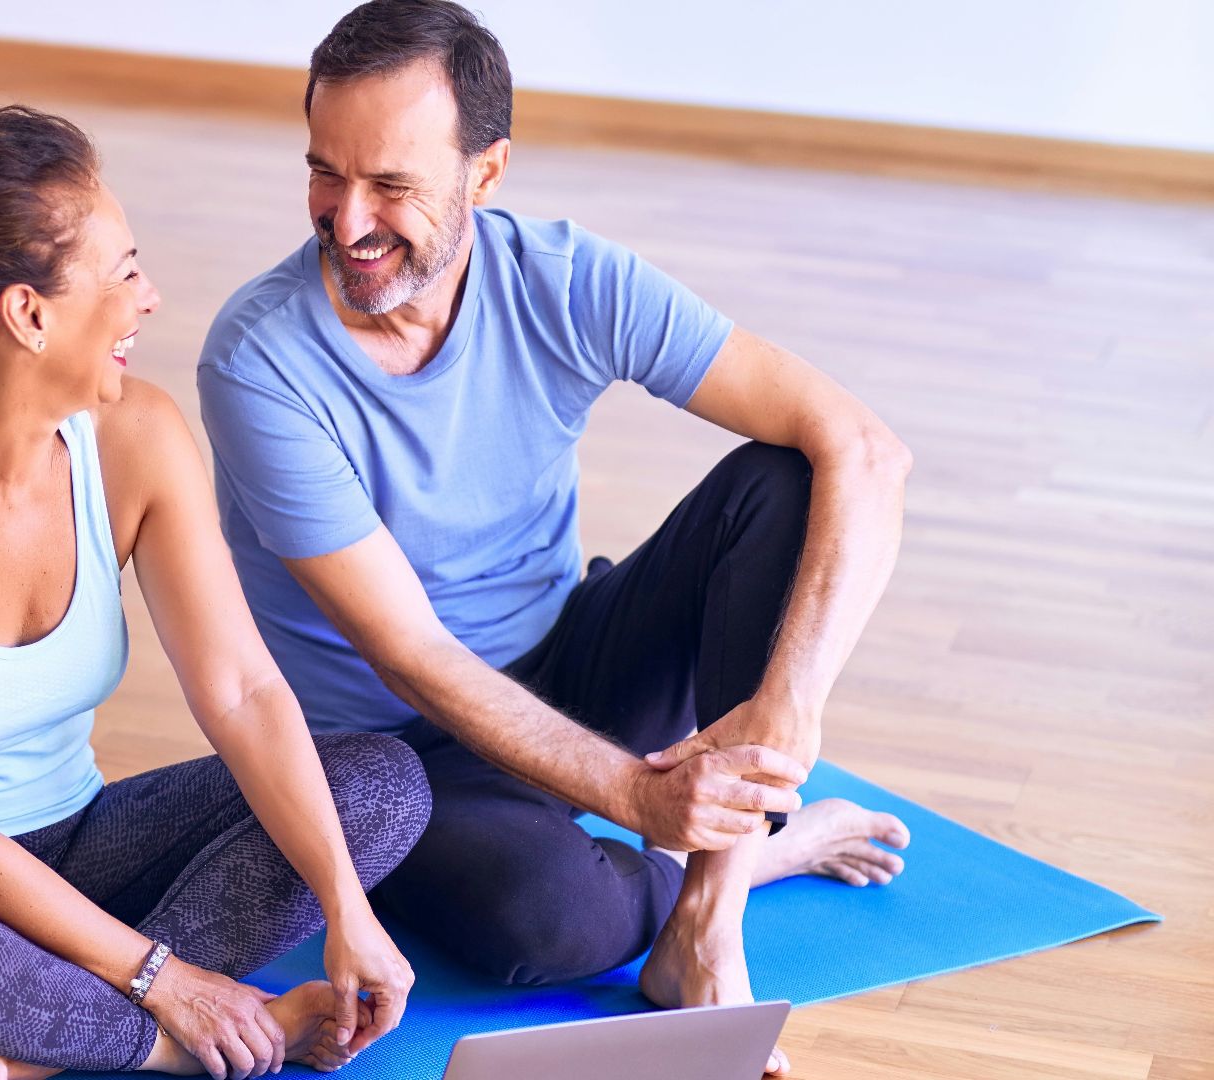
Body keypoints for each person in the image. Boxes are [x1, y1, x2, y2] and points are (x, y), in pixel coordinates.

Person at [197, 2, 913, 1074]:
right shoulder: (259, 363)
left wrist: (789, 707)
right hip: (401, 755)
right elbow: (415, 656)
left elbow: (863, 447)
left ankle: (707, 931)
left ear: (485, 175)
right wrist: (638, 797)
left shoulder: (568, 280)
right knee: (545, 925)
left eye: (392, 186)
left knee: (785, 478)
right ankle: (768, 854)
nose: (346, 222)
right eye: (324, 174)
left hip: (574, 660)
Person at [0, 104, 431, 1080]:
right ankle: (176, 1045)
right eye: (122, 274)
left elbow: (242, 690)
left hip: (74, 844)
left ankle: (33, 1046)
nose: (149, 297)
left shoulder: (138, 439)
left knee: (379, 786)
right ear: (28, 315)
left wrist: (346, 910)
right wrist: (168, 982)